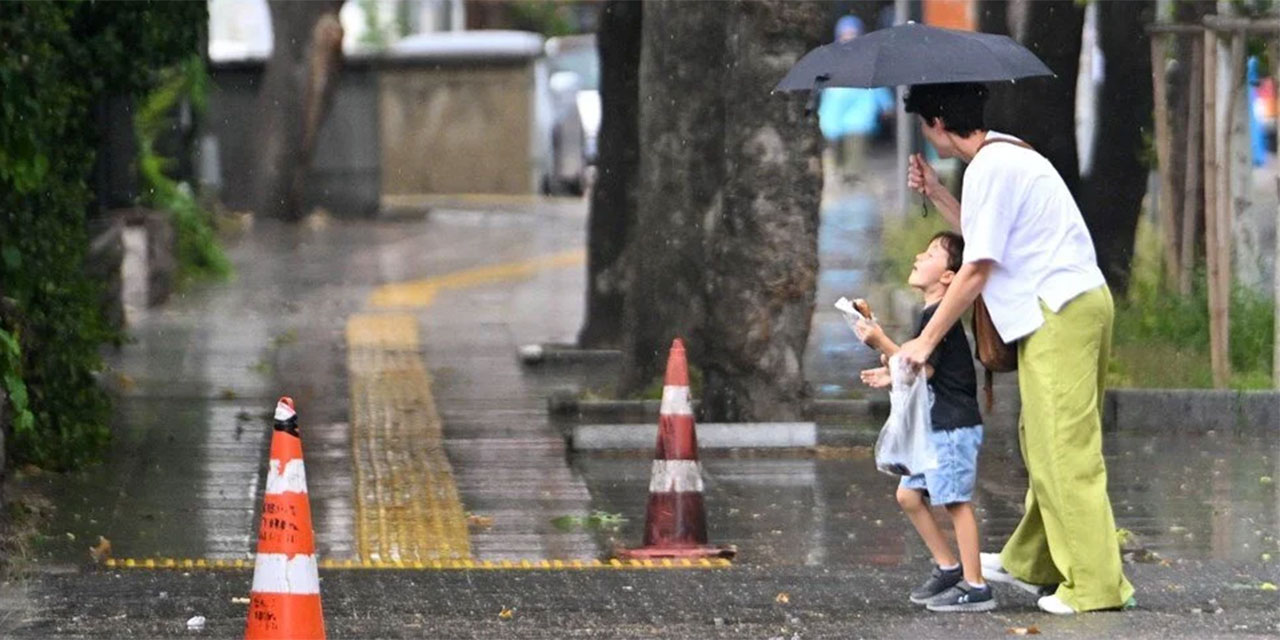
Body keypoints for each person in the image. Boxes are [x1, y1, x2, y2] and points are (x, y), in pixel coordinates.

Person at [894, 82, 1134, 615]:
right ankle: (1035, 560)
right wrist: (935, 193)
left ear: (936, 122)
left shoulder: (991, 167)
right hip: (1068, 305)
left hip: (1060, 311)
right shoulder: (999, 155)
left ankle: (1095, 588)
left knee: (1063, 448)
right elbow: (987, 240)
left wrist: (926, 340)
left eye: (922, 123)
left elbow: (976, 268)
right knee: (1041, 438)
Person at [856, 231, 994, 613]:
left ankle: (976, 584)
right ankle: (949, 568)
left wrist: (881, 342)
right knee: (908, 495)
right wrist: (889, 370)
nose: (919, 255)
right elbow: (926, 368)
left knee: (955, 501)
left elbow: (918, 363)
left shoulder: (941, 317)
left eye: (931, 253)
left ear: (949, 276)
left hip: (952, 425)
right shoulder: (930, 315)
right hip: (933, 425)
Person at [817, 15, 893, 184]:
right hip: (832, 122)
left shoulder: (868, 62)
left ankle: (852, 187)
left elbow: (877, 86)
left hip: (859, 120)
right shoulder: (830, 61)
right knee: (835, 159)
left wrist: (886, 105)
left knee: (855, 160)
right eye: (846, 34)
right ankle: (840, 181)